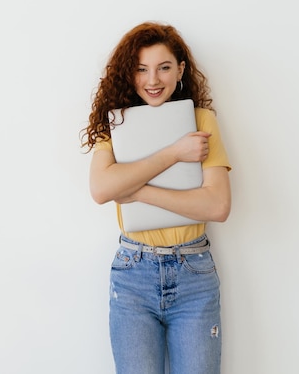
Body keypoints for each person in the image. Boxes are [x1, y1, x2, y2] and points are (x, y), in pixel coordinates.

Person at [81, 22, 232, 374]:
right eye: (141, 69)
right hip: (133, 273)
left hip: (193, 271)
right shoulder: (116, 125)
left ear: (180, 70)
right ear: (129, 75)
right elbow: (102, 189)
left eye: (164, 67)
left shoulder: (200, 119)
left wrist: (137, 189)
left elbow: (218, 206)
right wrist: (176, 152)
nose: (153, 80)